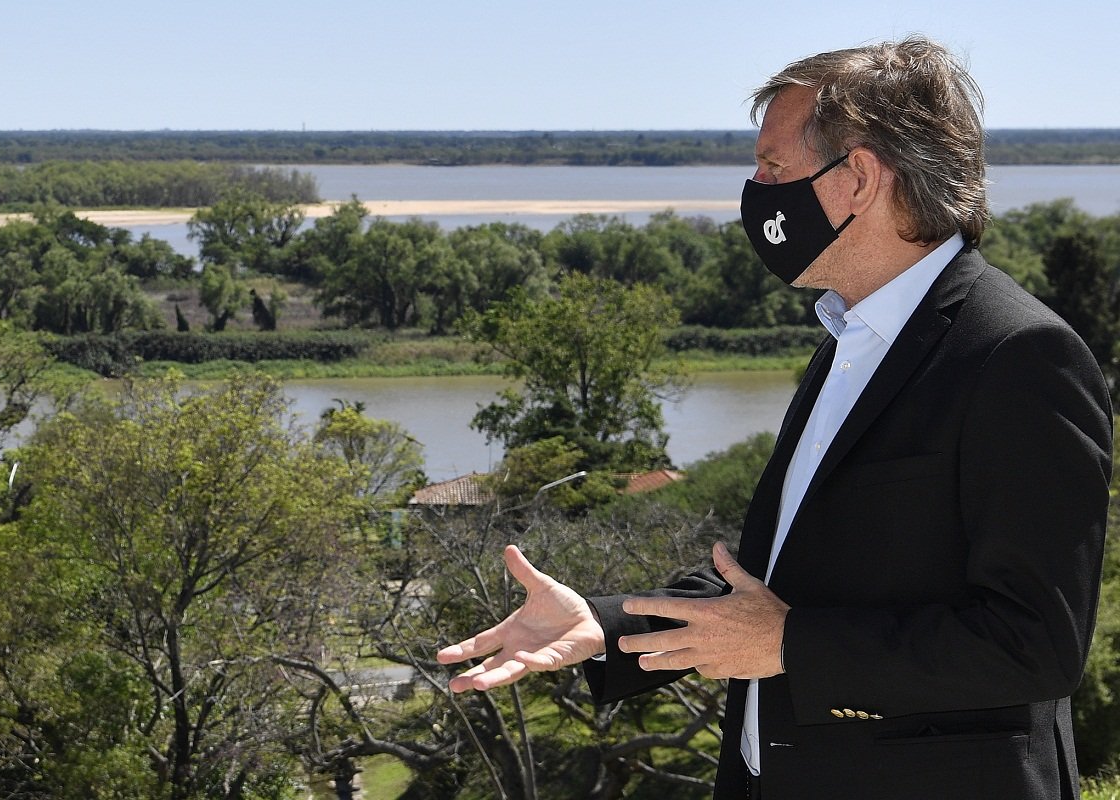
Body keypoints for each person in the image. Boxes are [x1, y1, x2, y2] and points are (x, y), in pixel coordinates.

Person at [437, 37, 1112, 800]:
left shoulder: (1019, 357)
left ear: (857, 177)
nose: (755, 190)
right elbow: (779, 578)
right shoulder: (852, 339)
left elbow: (1036, 644)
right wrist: (606, 627)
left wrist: (790, 645)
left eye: (774, 167)